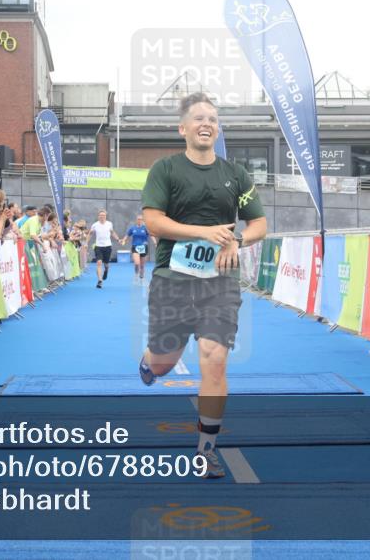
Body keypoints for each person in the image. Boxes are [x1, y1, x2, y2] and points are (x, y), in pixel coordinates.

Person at [138, 93, 267, 478]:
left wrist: (238, 240)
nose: (206, 123)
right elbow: (154, 223)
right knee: (164, 363)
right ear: (183, 128)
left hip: (219, 283)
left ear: (218, 127)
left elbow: (259, 224)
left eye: (212, 117)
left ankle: (206, 449)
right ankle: (150, 360)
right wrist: (205, 232)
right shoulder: (166, 170)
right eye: (198, 118)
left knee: (214, 358)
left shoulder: (236, 174)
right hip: (172, 280)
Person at [121, 213, 155, 284]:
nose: (140, 220)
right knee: (137, 263)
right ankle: (136, 275)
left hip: (144, 247)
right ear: (136, 220)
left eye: (141, 219)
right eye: (138, 219)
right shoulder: (132, 228)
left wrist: (155, 242)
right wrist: (124, 240)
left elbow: (151, 235)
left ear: (143, 221)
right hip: (135, 247)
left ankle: (141, 277)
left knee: (142, 266)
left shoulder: (145, 228)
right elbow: (127, 235)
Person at [87, 210, 116, 289]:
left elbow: (112, 232)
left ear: (106, 216)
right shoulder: (95, 225)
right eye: (100, 215)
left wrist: (117, 239)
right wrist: (86, 243)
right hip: (98, 246)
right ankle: (100, 281)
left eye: (103, 215)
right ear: (98, 216)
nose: (102, 216)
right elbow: (90, 234)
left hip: (108, 246)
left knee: (106, 264)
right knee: (99, 262)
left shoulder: (109, 224)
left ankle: (106, 270)